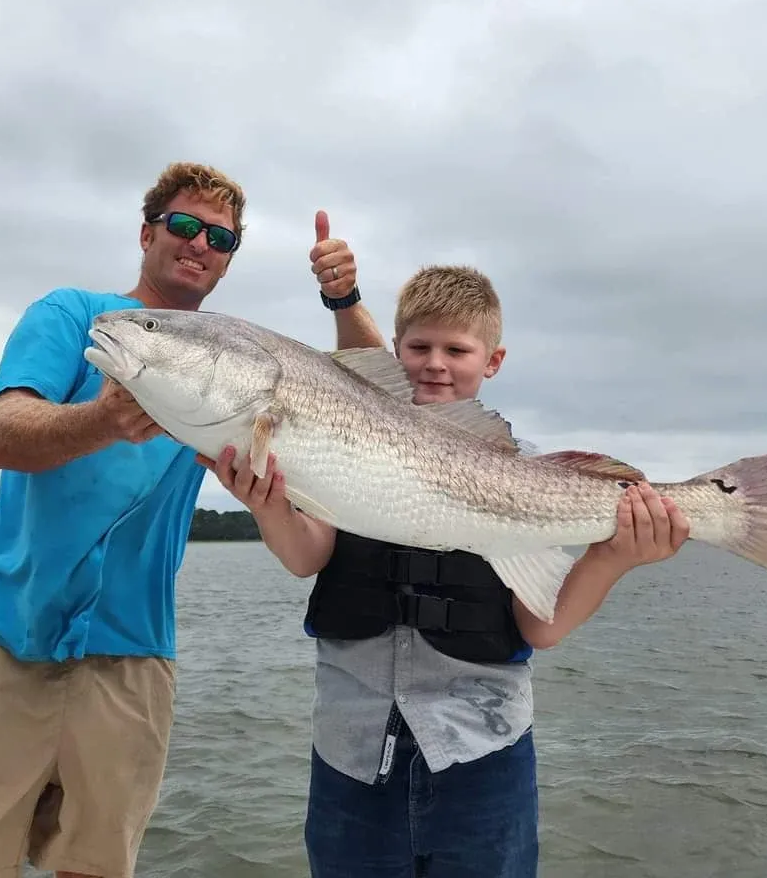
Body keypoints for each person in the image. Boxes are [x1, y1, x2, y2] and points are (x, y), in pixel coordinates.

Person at [203, 212, 690, 878]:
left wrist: (615, 554)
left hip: (481, 757)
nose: (435, 365)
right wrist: (266, 505)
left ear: (492, 361)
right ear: (394, 351)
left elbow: (538, 627)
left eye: (456, 351)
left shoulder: (525, 468)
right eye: (419, 348)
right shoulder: (343, 445)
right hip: (351, 754)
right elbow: (305, 556)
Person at [0, 162, 247, 878]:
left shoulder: (228, 364)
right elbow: (0, 434)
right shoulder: (74, 315)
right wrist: (104, 418)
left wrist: (344, 297)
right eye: (182, 225)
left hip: (133, 657)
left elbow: (362, 389)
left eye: (220, 237)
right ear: (146, 233)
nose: (199, 243)